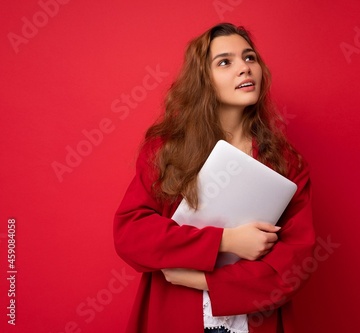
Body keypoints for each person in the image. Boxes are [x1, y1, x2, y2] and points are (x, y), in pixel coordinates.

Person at [113, 23, 315, 333]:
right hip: (174, 314)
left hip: (256, 321)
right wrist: (226, 240)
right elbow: (131, 234)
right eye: (225, 62)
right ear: (203, 80)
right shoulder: (166, 151)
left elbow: (292, 268)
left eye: (250, 58)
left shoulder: (286, 162)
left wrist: (202, 278)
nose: (244, 69)